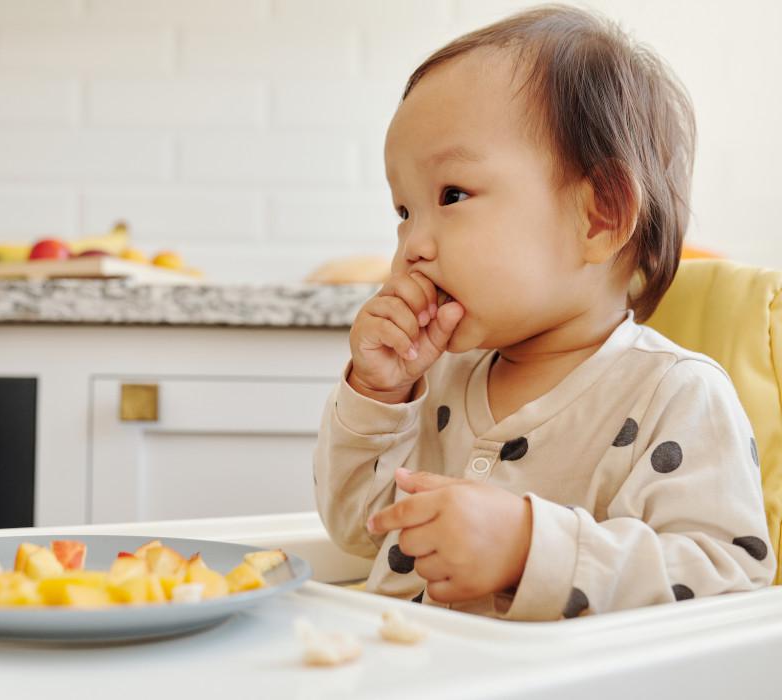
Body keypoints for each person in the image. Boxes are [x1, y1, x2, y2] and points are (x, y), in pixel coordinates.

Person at [313, 4, 775, 620]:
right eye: (403, 212)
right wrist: (380, 396)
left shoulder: (677, 397)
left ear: (600, 215)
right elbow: (357, 531)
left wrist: (533, 549)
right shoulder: (440, 382)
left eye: (452, 195)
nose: (411, 246)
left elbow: (731, 581)